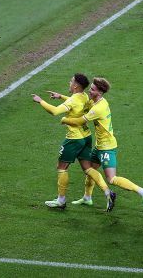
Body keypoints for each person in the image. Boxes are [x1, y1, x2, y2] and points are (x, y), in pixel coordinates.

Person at [61, 77, 143, 211]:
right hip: (99, 146)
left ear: (100, 92)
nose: (89, 91)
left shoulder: (98, 108)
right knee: (90, 171)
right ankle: (87, 198)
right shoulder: (97, 101)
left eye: (92, 89)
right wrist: (61, 97)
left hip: (107, 148)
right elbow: (79, 103)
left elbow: (80, 121)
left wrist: (64, 119)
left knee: (111, 178)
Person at [32, 73, 108, 210]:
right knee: (88, 169)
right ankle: (108, 192)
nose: (69, 82)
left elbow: (55, 111)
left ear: (75, 85)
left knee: (61, 168)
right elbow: (75, 103)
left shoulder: (73, 100)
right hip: (86, 137)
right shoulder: (85, 96)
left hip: (73, 139)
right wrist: (60, 96)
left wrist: (40, 101)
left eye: (71, 81)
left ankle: (61, 200)